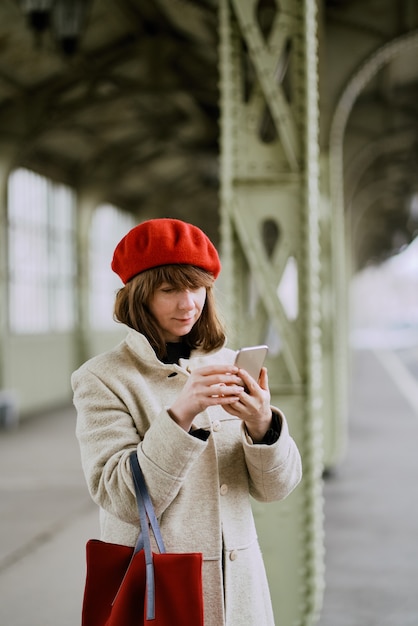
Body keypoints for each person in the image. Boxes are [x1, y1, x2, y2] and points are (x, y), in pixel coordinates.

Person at [72, 217, 302, 626]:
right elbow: (120, 497)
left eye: (196, 287)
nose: (187, 303)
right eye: (169, 290)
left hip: (241, 594)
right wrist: (182, 413)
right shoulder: (102, 378)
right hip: (159, 592)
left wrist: (262, 424)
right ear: (139, 297)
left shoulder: (228, 363)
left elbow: (275, 489)